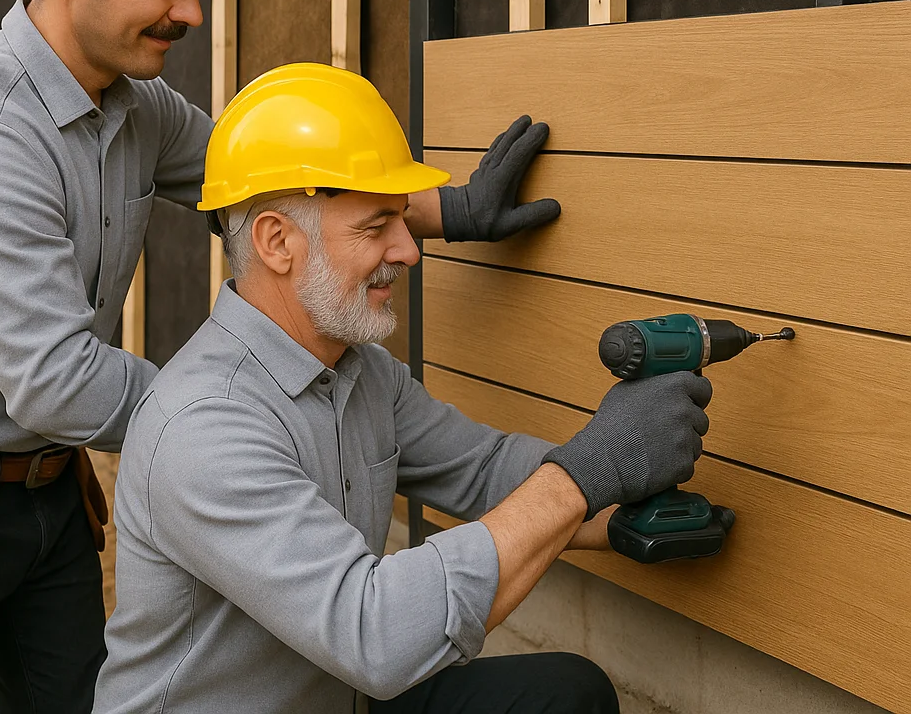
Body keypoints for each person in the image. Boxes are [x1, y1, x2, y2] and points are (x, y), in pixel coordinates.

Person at [0, 0, 558, 714]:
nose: (192, 12)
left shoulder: (135, 104)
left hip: (47, 494)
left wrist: (447, 210)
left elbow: (265, 187)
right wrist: (228, 422)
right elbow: (53, 382)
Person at [93, 63, 713, 714]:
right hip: (345, 667)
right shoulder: (204, 427)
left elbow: (485, 472)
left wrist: (621, 512)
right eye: (375, 226)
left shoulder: (362, 373)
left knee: (565, 694)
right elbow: (376, 636)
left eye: (402, 220)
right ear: (278, 241)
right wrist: (588, 472)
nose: (409, 251)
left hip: (335, 691)